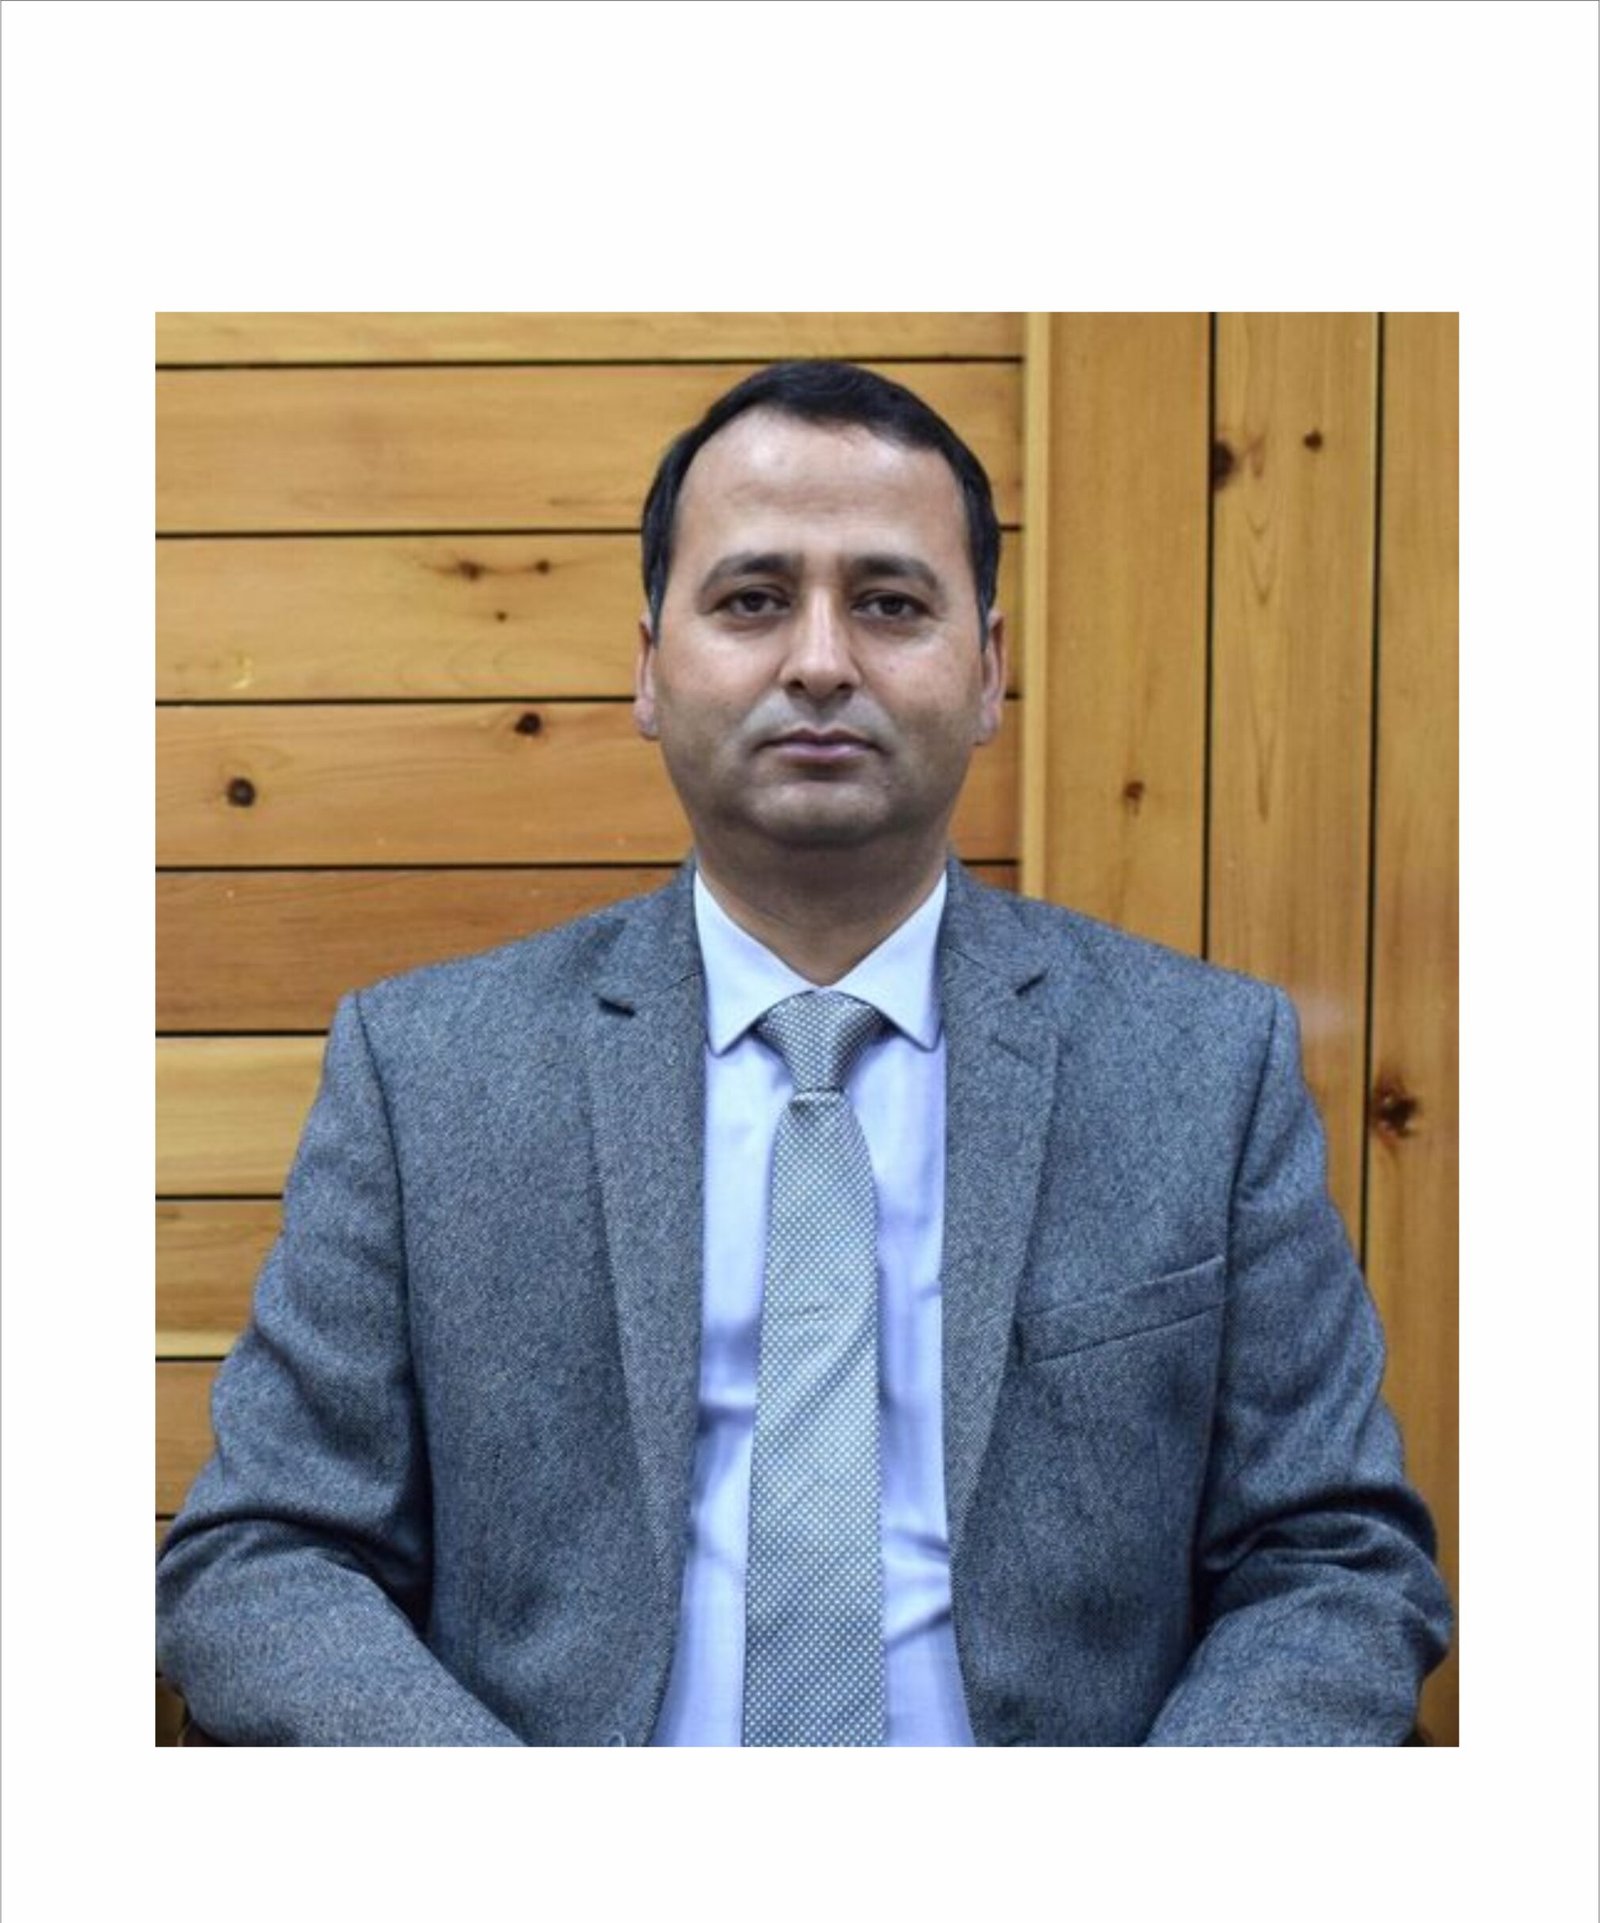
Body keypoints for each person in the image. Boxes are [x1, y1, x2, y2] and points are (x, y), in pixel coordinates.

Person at [155, 360, 1453, 1746]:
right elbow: (264, 1555)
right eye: (753, 601)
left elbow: (1334, 1557)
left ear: (988, 672)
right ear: (649, 667)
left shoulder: (1201, 1066)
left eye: (889, 604)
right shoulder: (429, 1076)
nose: (822, 662)